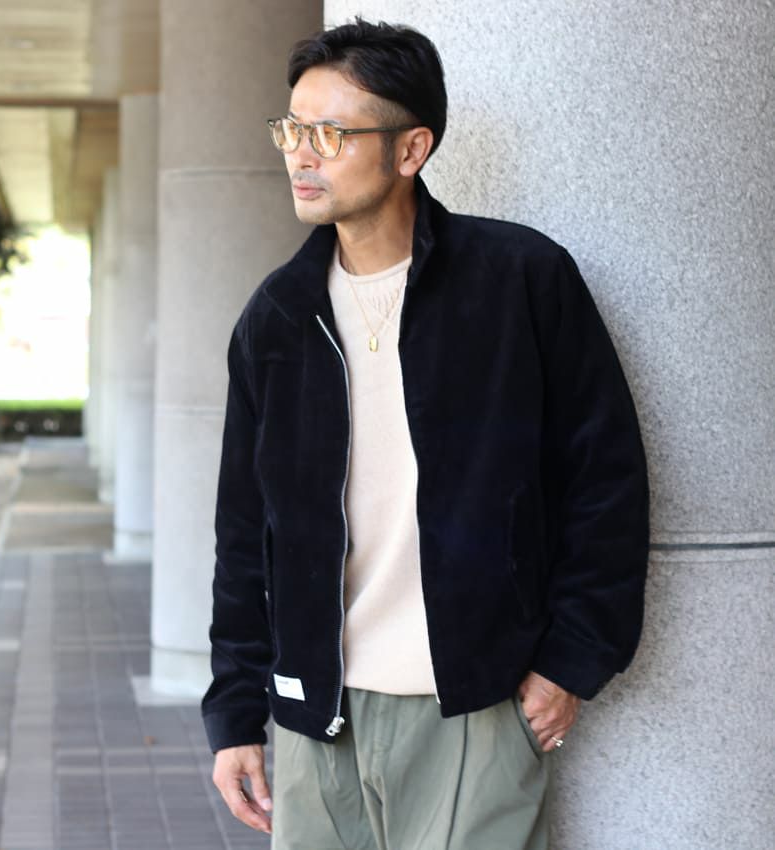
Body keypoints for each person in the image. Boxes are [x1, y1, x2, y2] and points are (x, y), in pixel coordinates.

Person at [201, 17, 650, 850]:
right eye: (292, 130)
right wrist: (234, 713)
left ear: (411, 150)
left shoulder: (519, 282)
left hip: (472, 708)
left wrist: (572, 659)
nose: (301, 155)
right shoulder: (277, 318)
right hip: (315, 718)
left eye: (330, 134)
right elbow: (245, 531)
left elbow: (606, 482)